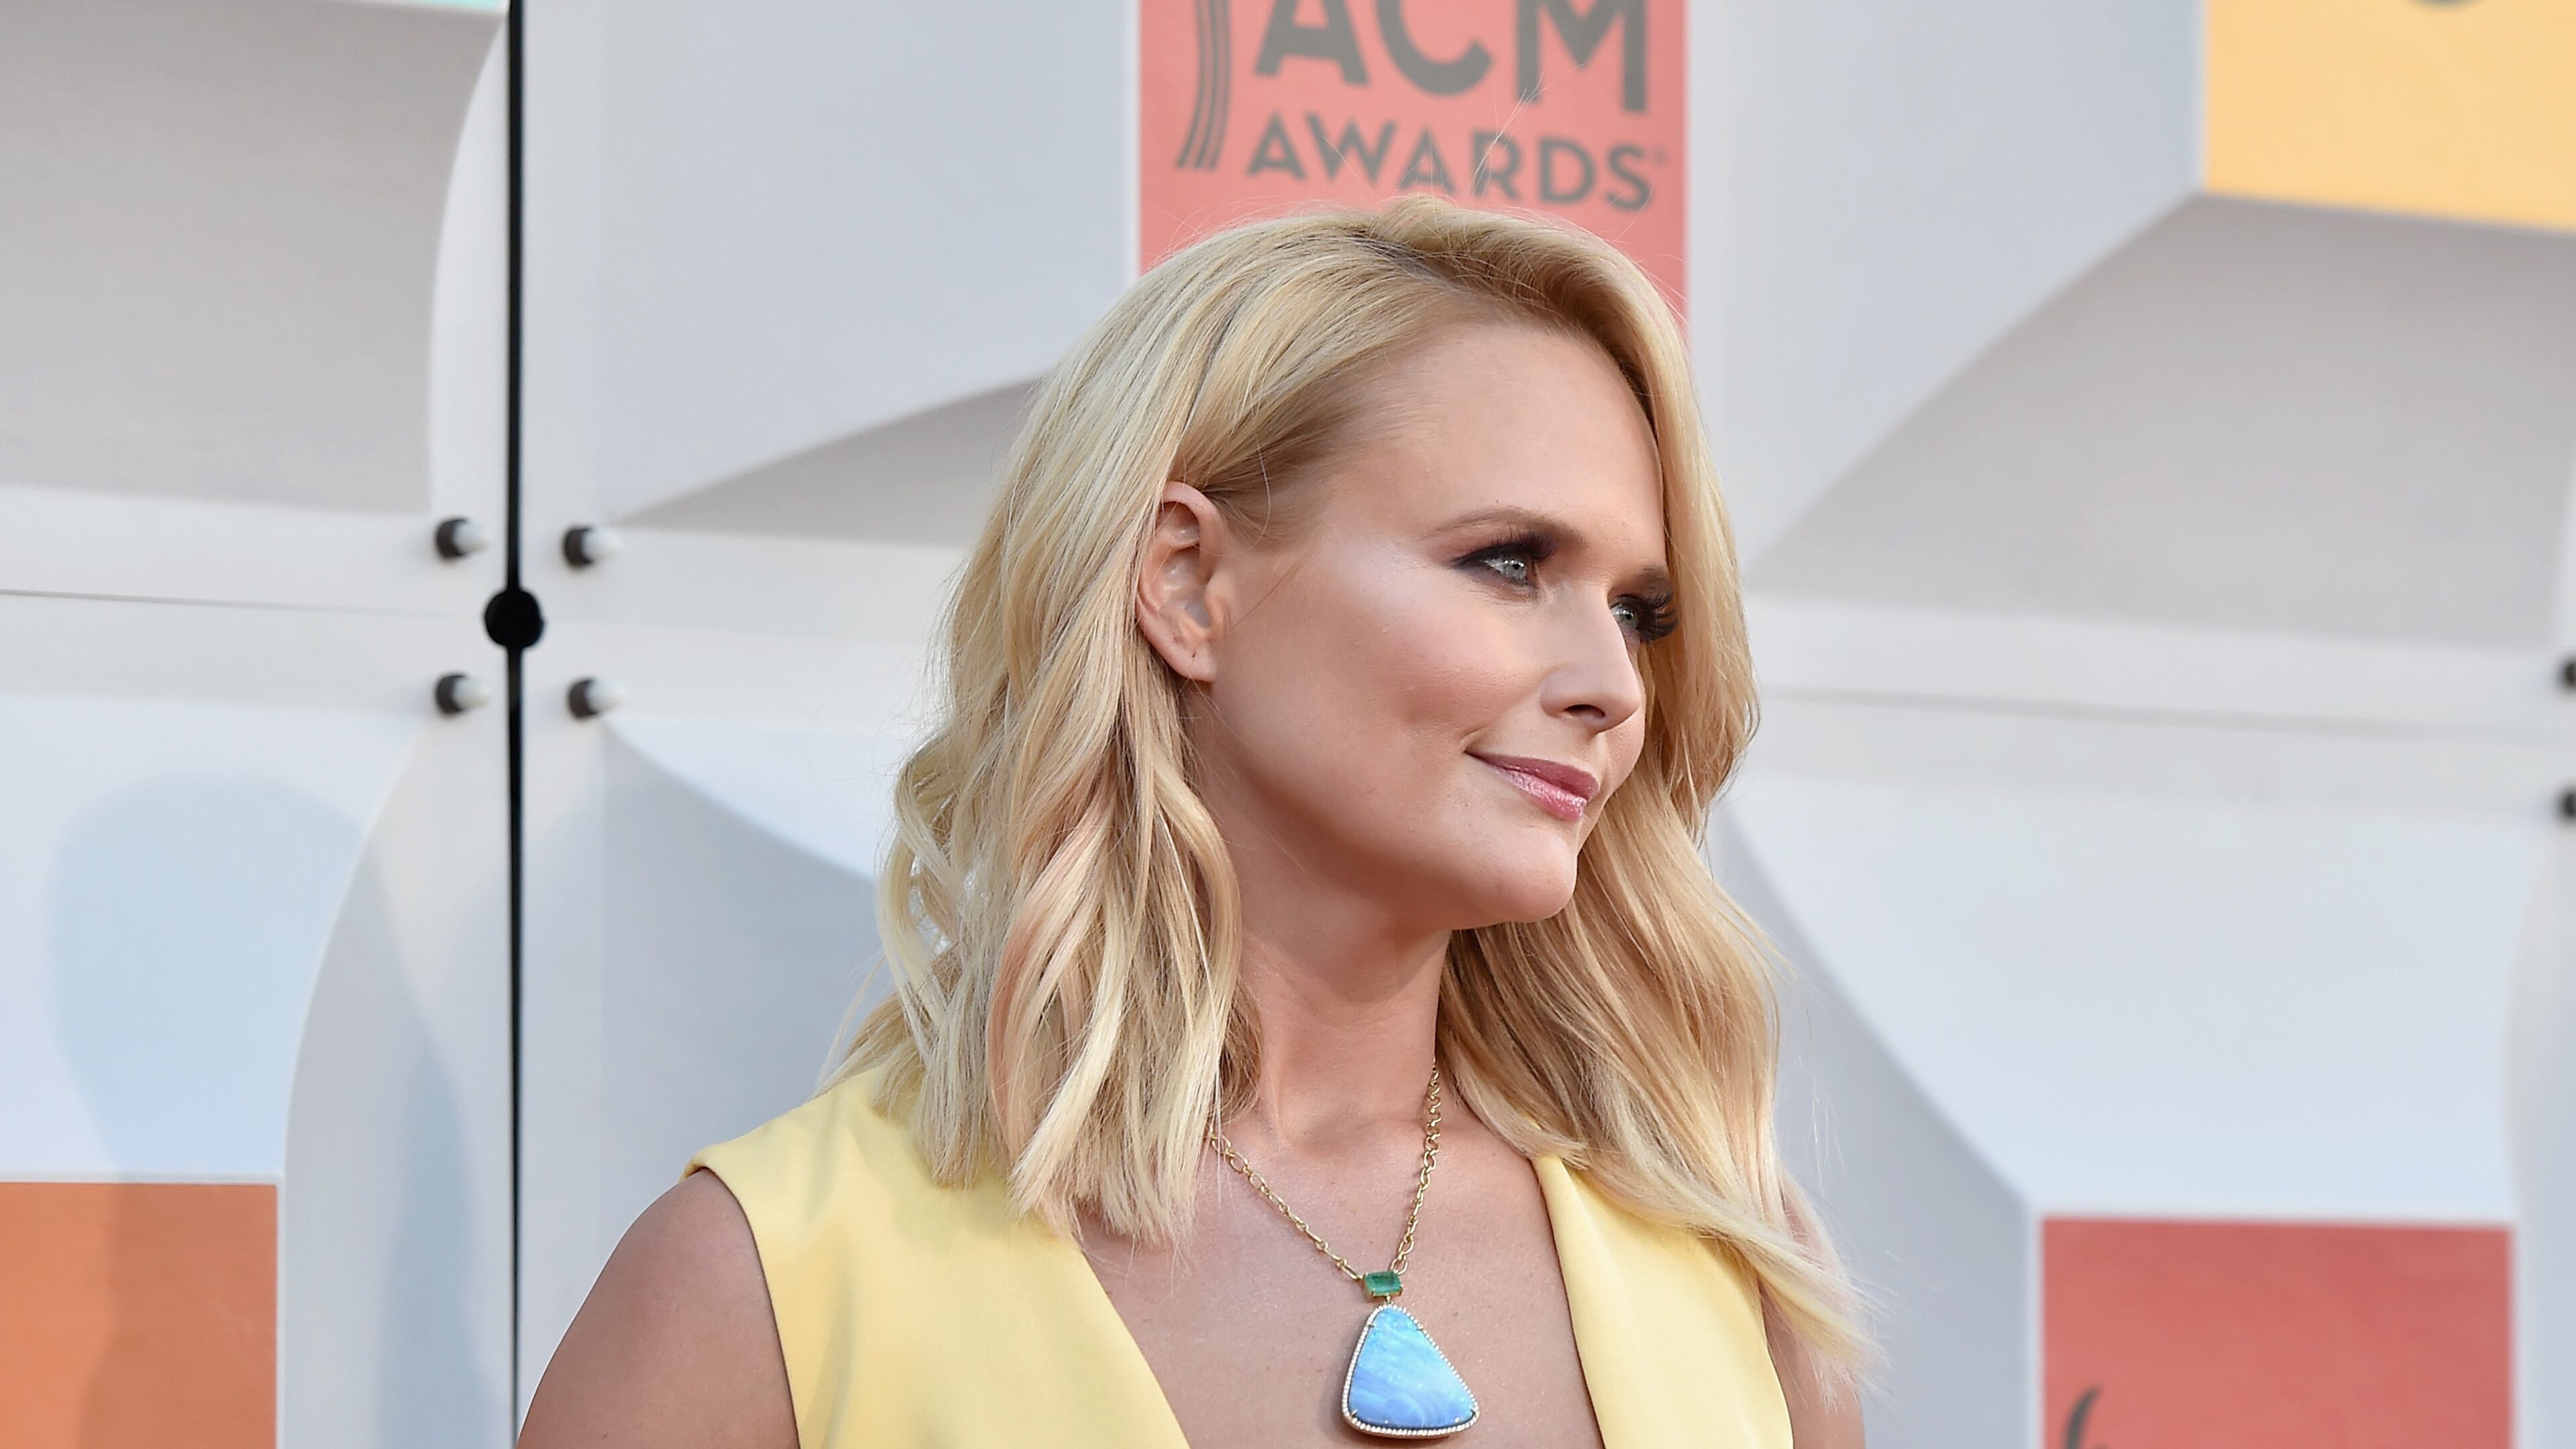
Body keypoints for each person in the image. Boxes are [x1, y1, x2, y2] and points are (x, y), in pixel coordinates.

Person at [517, 197, 1866, 1449]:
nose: (1614, 684)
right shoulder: (763, 1290)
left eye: (1641, 611)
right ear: (1185, 582)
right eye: (1508, 563)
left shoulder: (1733, 1276)